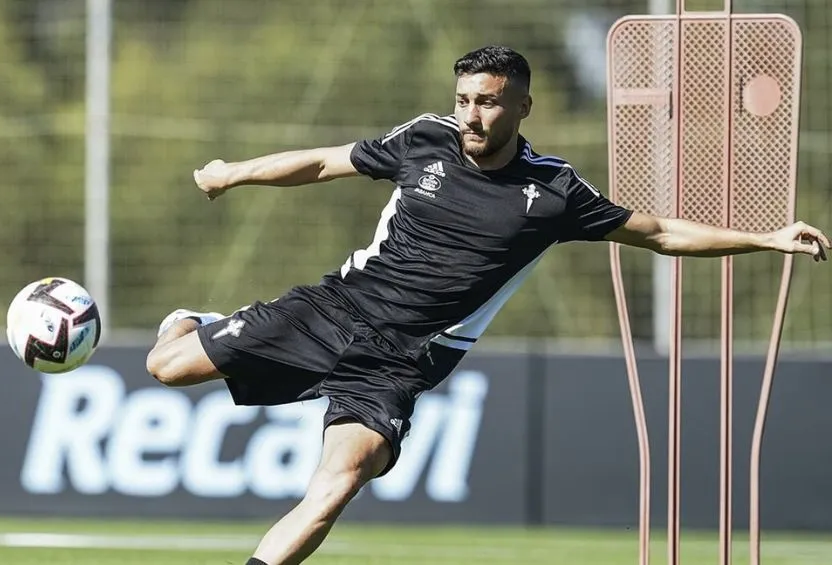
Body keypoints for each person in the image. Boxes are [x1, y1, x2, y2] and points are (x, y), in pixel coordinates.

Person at [145, 45, 829, 565]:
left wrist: (765, 238)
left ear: (524, 105)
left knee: (338, 483)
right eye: (465, 98)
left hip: (401, 362)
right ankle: (196, 317)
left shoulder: (554, 192)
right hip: (336, 308)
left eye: (489, 101)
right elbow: (325, 162)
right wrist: (234, 172)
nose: (473, 113)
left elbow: (655, 232)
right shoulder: (424, 139)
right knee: (165, 369)